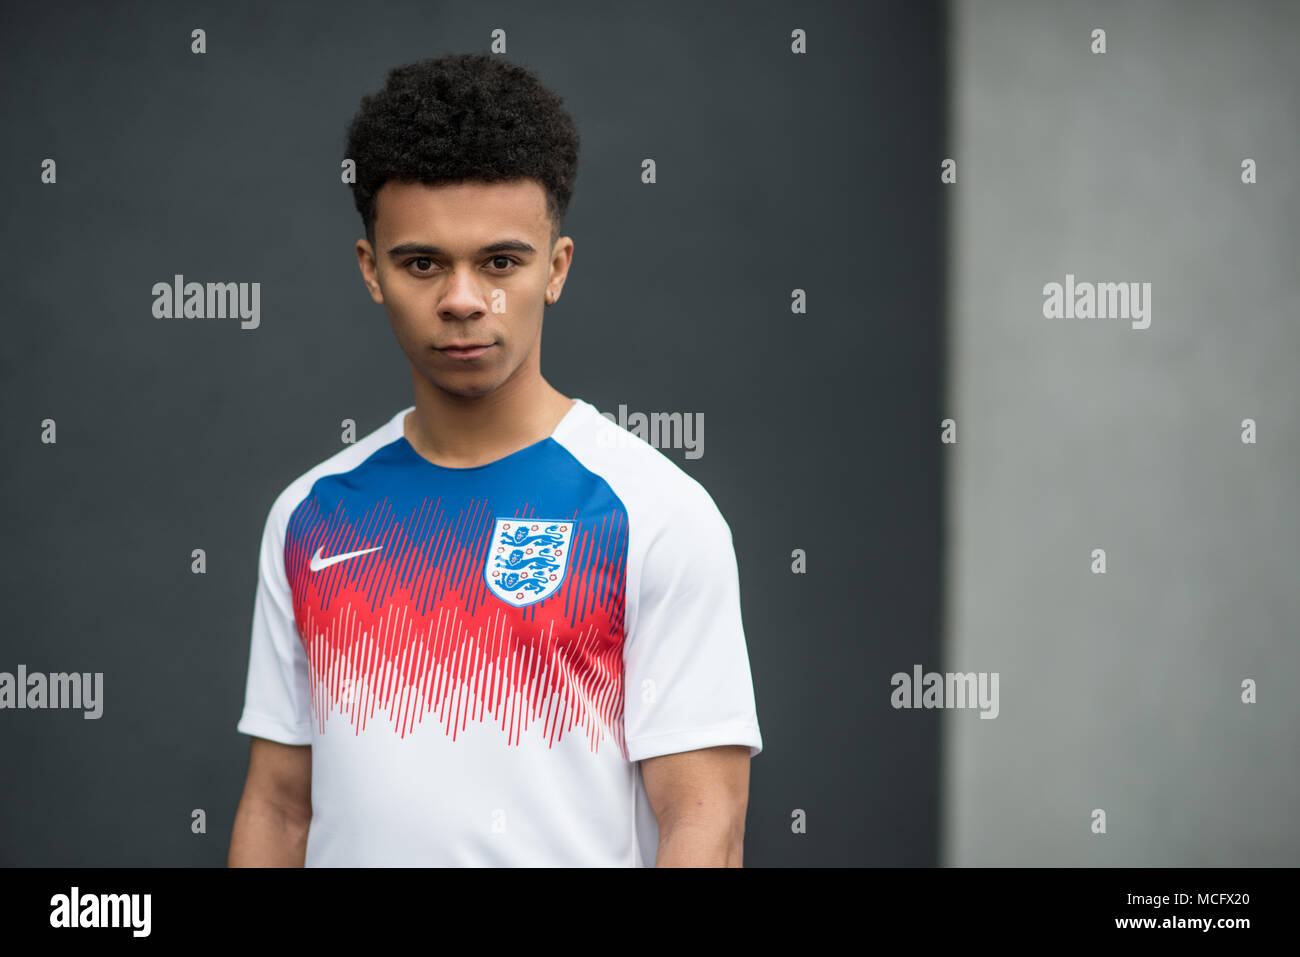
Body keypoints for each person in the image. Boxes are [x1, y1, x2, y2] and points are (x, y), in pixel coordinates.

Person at [228, 52, 762, 867]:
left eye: (501, 262)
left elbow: (705, 822)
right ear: (372, 271)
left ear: (557, 266)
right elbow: (278, 805)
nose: (464, 299)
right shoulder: (310, 514)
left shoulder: (655, 514)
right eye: (423, 262)